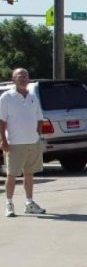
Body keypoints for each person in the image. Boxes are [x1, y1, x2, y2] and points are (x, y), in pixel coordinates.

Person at [0, 68, 46, 217]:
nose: (23, 78)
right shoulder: (6, 97)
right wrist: (3, 140)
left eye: (25, 76)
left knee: (29, 174)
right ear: (13, 79)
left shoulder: (33, 97)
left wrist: (37, 135)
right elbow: (1, 121)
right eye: (20, 76)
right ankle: (9, 204)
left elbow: (39, 118)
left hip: (32, 143)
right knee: (12, 175)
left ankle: (29, 203)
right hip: (14, 144)